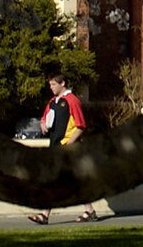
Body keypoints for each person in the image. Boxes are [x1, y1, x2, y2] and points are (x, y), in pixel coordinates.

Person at [28, 72, 102, 225]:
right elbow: (44, 118)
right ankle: (89, 210)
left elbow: (80, 126)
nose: (51, 88)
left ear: (63, 84)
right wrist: (42, 124)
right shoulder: (52, 102)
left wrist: (70, 143)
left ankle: (45, 214)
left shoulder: (72, 101)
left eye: (54, 85)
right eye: (50, 85)